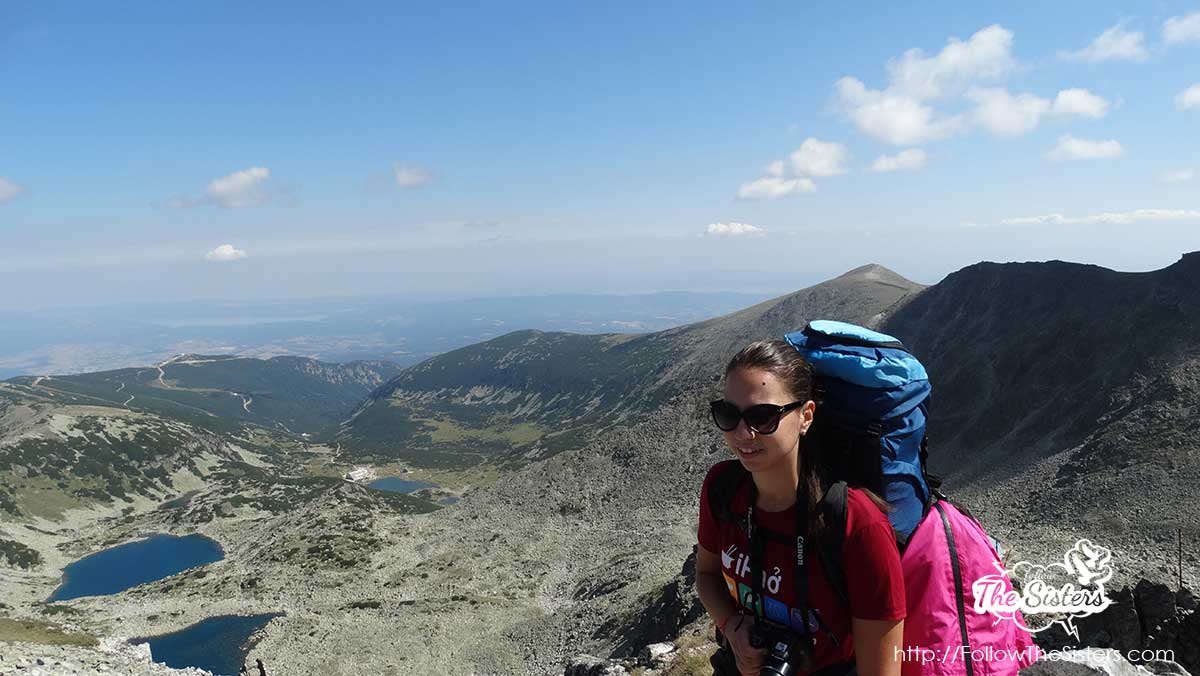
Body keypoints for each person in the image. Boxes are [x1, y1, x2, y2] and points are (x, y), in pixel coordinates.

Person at [696, 340, 905, 676]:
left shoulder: (857, 523)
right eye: (729, 415)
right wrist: (732, 626)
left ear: (806, 416)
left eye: (763, 417)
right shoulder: (722, 488)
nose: (743, 433)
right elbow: (706, 576)